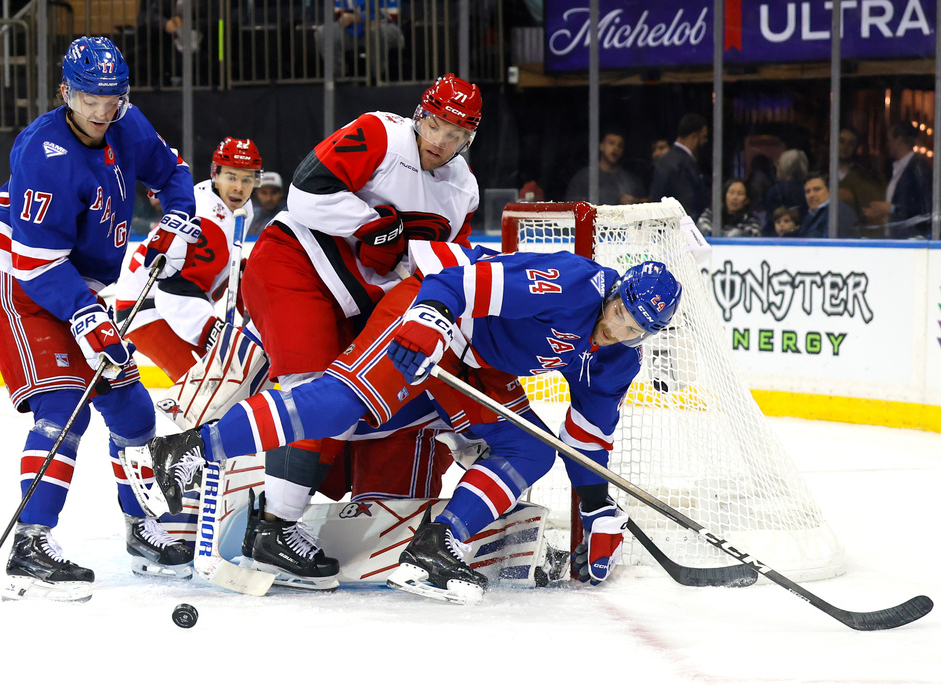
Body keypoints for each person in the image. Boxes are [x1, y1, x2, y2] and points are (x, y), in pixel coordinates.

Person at [129, 242, 682, 604]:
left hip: (479, 369)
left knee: (529, 447)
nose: (620, 330)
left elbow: (585, 442)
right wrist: (427, 326)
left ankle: (436, 544)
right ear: (615, 292)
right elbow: (457, 285)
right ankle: (191, 447)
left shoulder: (617, 358)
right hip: (431, 313)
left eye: (636, 329)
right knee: (344, 404)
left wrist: (597, 507)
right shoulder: (566, 281)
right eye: (620, 314)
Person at [0, 36, 200, 601]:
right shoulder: (41, 152)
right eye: (89, 97)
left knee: (132, 408)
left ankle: (140, 530)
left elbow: (174, 175)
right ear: (65, 91)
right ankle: (31, 545)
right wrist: (85, 317)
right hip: (20, 279)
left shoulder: (128, 124)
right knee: (64, 405)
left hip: (77, 283)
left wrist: (175, 221)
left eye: (112, 97)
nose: (102, 111)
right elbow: (37, 260)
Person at [232, 73, 481, 586]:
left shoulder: (463, 191)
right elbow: (304, 193)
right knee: (311, 393)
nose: (439, 141)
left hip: (353, 301)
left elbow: (445, 270)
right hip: (293, 266)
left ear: (469, 139)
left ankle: (275, 510)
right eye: (435, 124)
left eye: (455, 134)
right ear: (420, 115)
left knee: (345, 404)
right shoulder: (379, 134)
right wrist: (370, 223)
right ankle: (274, 526)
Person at [113, 136, 261, 382]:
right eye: (231, 177)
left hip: (165, 304)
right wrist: (215, 333)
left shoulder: (231, 206)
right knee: (209, 388)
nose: (239, 187)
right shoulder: (207, 218)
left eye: (247, 179)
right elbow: (176, 293)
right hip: (146, 309)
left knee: (224, 387)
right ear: (216, 174)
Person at [863, 121, 933, 239]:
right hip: (896, 238)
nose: (888, 144)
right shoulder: (900, 168)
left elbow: (923, 208)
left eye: (889, 140)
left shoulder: (917, 167)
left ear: (899, 140)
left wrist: (891, 208)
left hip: (911, 241)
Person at [317, 1, 406, 79]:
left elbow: (391, 16)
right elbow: (341, 16)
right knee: (323, 32)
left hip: (387, 28)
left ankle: (379, 76)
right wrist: (360, 20)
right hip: (353, 28)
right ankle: (339, 76)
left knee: (374, 30)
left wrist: (356, 18)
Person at [649, 114, 708, 220]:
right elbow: (687, 205)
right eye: (703, 137)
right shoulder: (681, 164)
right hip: (679, 230)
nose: (705, 141)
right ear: (693, 136)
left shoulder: (667, 160)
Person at [564, 129, 645, 205]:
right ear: (601, 146)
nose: (615, 148)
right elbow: (572, 209)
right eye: (611, 143)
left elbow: (645, 204)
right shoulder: (583, 178)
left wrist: (634, 202)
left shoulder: (630, 181)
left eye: (620, 145)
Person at [836, 126, 885, 235]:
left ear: (856, 147)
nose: (845, 146)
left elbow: (871, 212)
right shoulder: (822, 175)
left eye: (851, 143)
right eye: (841, 141)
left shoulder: (863, 178)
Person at [791, 172, 859, 239]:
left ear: (830, 190)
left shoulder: (839, 212)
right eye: (808, 191)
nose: (811, 195)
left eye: (817, 189)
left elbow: (836, 245)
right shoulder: (811, 215)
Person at [761, 149, 809, 236]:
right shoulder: (807, 188)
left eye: (778, 163)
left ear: (785, 167)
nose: (776, 167)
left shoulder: (777, 191)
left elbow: (771, 223)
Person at [696, 177, 762, 237]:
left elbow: (753, 235)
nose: (735, 197)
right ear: (725, 195)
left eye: (740, 193)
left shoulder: (752, 221)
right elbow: (702, 226)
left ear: (747, 200)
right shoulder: (711, 214)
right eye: (731, 192)